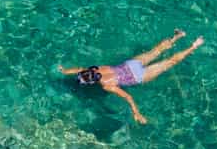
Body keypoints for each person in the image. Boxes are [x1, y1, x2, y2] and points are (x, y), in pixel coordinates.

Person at [60, 31, 203, 124]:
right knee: (156, 50)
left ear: (91, 82)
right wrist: (66, 71)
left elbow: (128, 97)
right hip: (131, 65)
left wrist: (137, 113)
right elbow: (79, 69)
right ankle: (178, 36)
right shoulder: (96, 68)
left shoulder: (107, 86)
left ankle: (194, 46)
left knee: (170, 62)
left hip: (139, 76)